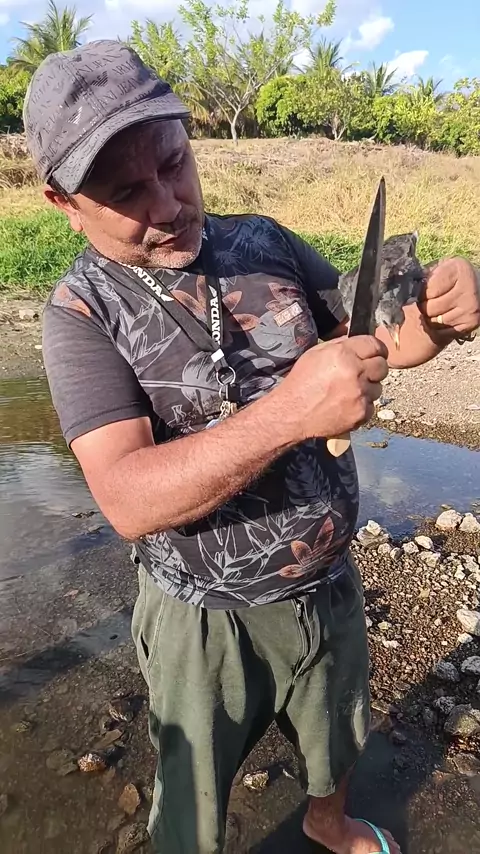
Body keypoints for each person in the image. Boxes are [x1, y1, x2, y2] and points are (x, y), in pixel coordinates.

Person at [25, 40, 479, 854]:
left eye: (174, 163)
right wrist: (289, 411)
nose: (168, 204)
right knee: (193, 797)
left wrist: (437, 317)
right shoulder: (80, 313)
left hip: (328, 583)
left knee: (336, 736)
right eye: (126, 192)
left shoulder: (264, 240)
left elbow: (374, 340)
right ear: (64, 201)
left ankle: (327, 822)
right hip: (204, 619)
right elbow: (126, 498)